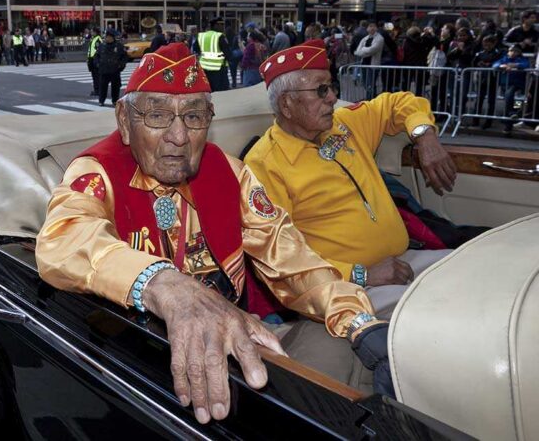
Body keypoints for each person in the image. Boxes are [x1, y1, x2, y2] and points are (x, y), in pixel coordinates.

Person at [36, 43, 394, 425]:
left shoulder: (231, 175)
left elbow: (291, 258)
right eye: (157, 115)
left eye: (194, 117)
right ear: (124, 120)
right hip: (132, 360)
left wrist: (356, 319)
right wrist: (163, 284)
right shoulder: (98, 172)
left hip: (239, 341)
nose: (179, 136)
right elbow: (64, 238)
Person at [244, 40, 458, 319]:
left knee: (478, 275)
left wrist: (424, 136)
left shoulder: (344, 124)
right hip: (350, 288)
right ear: (287, 104)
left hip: (406, 261)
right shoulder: (264, 166)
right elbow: (283, 261)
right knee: (453, 312)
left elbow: (399, 102)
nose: (332, 97)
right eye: (321, 90)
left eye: (332, 87)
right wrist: (360, 274)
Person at [493, 44, 531, 135]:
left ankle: (511, 117)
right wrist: (502, 66)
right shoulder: (504, 59)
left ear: (519, 52)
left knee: (515, 102)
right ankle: (510, 121)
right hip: (505, 85)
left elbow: (526, 65)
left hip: (518, 86)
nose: (513, 53)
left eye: (515, 51)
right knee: (509, 101)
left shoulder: (522, 59)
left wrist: (515, 65)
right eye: (511, 50)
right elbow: (495, 64)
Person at [471, 35, 503, 129]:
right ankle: (475, 120)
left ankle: (488, 121)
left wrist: (489, 64)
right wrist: (478, 63)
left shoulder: (498, 53)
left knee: (491, 101)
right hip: (482, 79)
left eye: (489, 45)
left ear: (493, 44)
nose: (487, 47)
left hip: (493, 79)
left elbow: (498, 62)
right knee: (479, 99)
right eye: (485, 45)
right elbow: (473, 63)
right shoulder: (480, 53)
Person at [194, 17, 232, 92]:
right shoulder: (220, 36)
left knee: (208, 90)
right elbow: (228, 53)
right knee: (221, 92)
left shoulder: (201, 36)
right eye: (221, 25)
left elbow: (196, 49)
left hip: (205, 69)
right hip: (219, 69)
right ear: (215, 25)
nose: (222, 27)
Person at [94, 29, 127, 107]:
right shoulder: (102, 46)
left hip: (115, 70)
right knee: (102, 87)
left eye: (108, 37)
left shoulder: (119, 46)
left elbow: (124, 57)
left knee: (115, 87)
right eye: (106, 37)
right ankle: (101, 100)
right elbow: (96, 56)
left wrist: (121, 65)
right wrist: (97, 64)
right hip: (103, 70)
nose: (106, 38)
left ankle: (115, 100)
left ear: (112, 37)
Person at [354, 22, 384, 99]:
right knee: (366, 84)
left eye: (374, 26)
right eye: (370, 26)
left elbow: (373, 50)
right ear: (367, 28)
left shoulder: (379, 38)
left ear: (377, 28)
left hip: (373, 65)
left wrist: (363, 50)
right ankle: (369, 99)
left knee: (371, 85)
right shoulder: (365, 39)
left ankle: (371, 100)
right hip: (364, 64)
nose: (372, 28)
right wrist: (365, 52)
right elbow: (358, 51)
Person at [87, 27, 103, 97]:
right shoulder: (93, 38)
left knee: (97, 76)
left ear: (95, 32)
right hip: (91, 59)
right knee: (94, 76)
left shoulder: (98, 39)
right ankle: (96, 90)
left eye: (92, 31)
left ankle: (98, 91)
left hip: (95, 59)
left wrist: (97, 59)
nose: (91, 32)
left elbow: (99, 50)